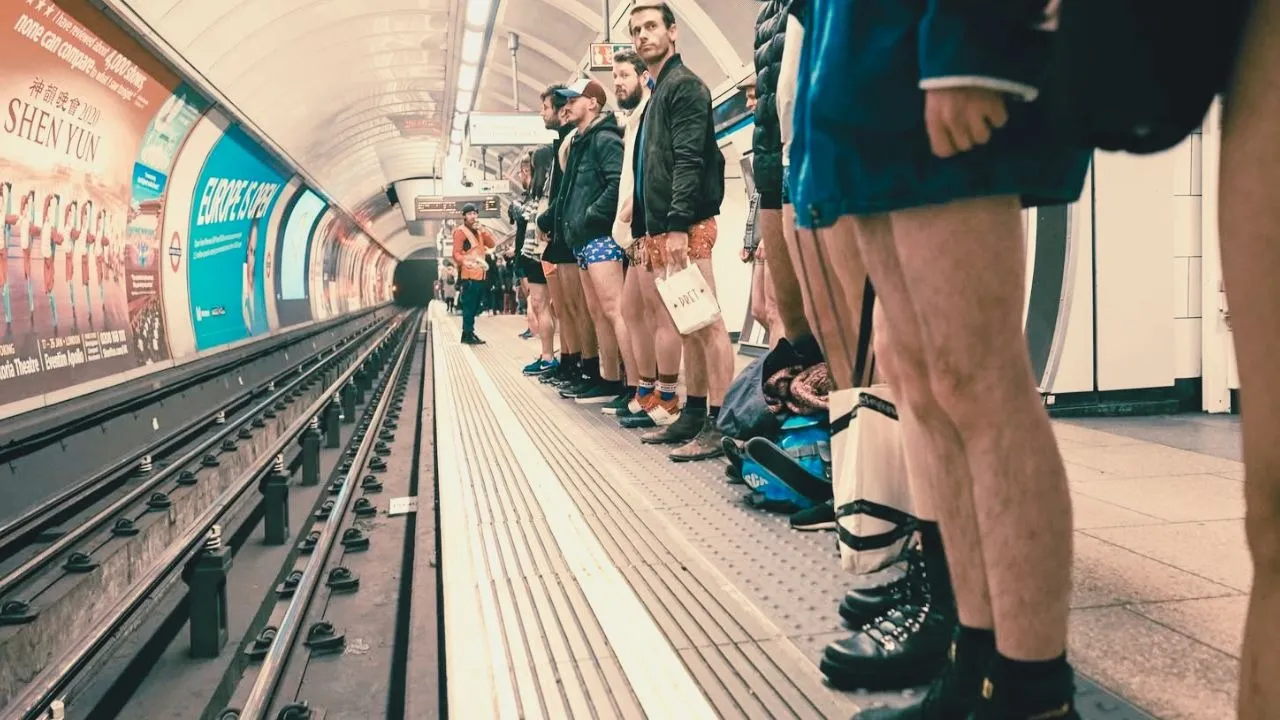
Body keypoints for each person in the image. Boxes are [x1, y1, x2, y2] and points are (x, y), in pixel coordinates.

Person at [790, 0, 1092, 717]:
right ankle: (976, 661)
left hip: (922, 41)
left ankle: (1031, 693)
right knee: (921, 379)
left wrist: (972, 43)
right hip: (860, 56)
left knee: (976, 377)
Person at [628, 2, 735, 462]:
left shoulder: (685, 87)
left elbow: (690, 160)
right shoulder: (657, 93)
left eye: (651, 26)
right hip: (663, 230)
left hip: (685, 227)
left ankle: (723, 423)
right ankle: (693, 413)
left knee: (708, 324)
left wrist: (675, 227)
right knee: (687, 324)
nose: (642, 36)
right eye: (636, 30)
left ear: (673, 32)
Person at [550, 78, 637, 405]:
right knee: (598, 312)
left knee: (616, 310)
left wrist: (589, 215)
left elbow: (617, 184)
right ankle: (608, 379)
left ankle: (635, 386)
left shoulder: (604, 139)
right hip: (583, 239)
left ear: (593, 103)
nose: (567, 106)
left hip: (601, 236)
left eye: (573, 100)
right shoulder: (581, 142)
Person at [451, 203, 495, 344]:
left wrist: (483, 231)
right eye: (469, 214)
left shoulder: (479, 231)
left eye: (474, 213)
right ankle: (467, 334)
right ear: (464, 216)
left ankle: (468, 333)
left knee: (475, 306)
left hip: (480, 275)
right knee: (469, 306)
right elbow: (456, 253)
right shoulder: (460, 232)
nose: (473, 216)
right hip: (468, 276)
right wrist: (464, 261)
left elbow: (492, 244)